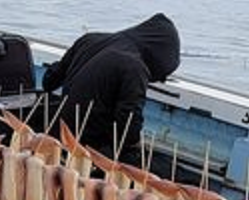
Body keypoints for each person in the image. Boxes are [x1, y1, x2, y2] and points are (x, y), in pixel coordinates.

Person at [41, 13, 181, 167]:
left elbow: (49, 82)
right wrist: (134, 158)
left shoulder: (89, 39)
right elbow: (128, 122)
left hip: (55, 137)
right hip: (87, 153)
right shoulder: (134, 67)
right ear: (160, 58)